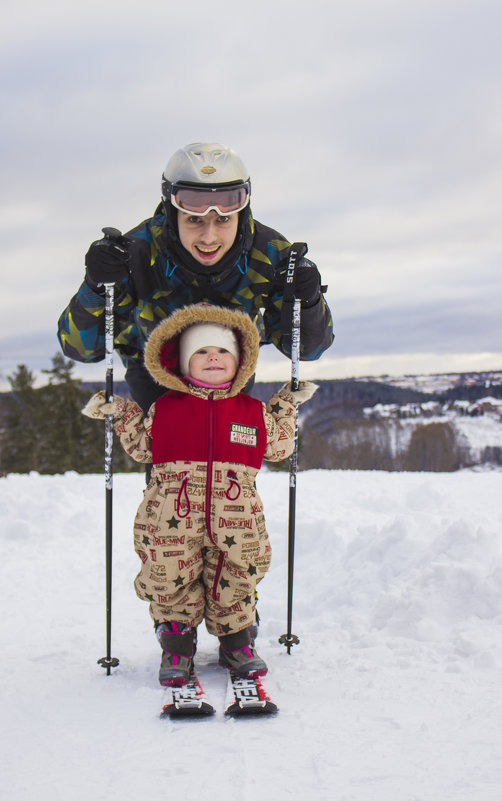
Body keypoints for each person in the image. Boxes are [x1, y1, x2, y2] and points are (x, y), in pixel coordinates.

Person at [82, 303, 317, 686]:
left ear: (241, 361)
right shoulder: (166, 408)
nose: (213, 358)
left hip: (239, 521)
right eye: (201, 352)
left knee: (239, 573)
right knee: (169, 575)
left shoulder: (253, 411)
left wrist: (285, 405)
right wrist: (121, 412)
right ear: (182, 364)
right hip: (169, 520)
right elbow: (143, 447)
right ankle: (176, 644)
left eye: (223, 351)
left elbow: (279, 448)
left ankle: (236, 641)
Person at [58, 142, 333, 413]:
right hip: (153, 367)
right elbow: (82, 350)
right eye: (193, 220)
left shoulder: (269, 252)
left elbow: (307, 350)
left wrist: (307, 301)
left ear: (241, 213)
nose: (209, 237)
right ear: (172, 213)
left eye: (223, 220)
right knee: (166, 446)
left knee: (231, 448)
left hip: (230, 367)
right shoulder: (137, 252)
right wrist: (96, 286)